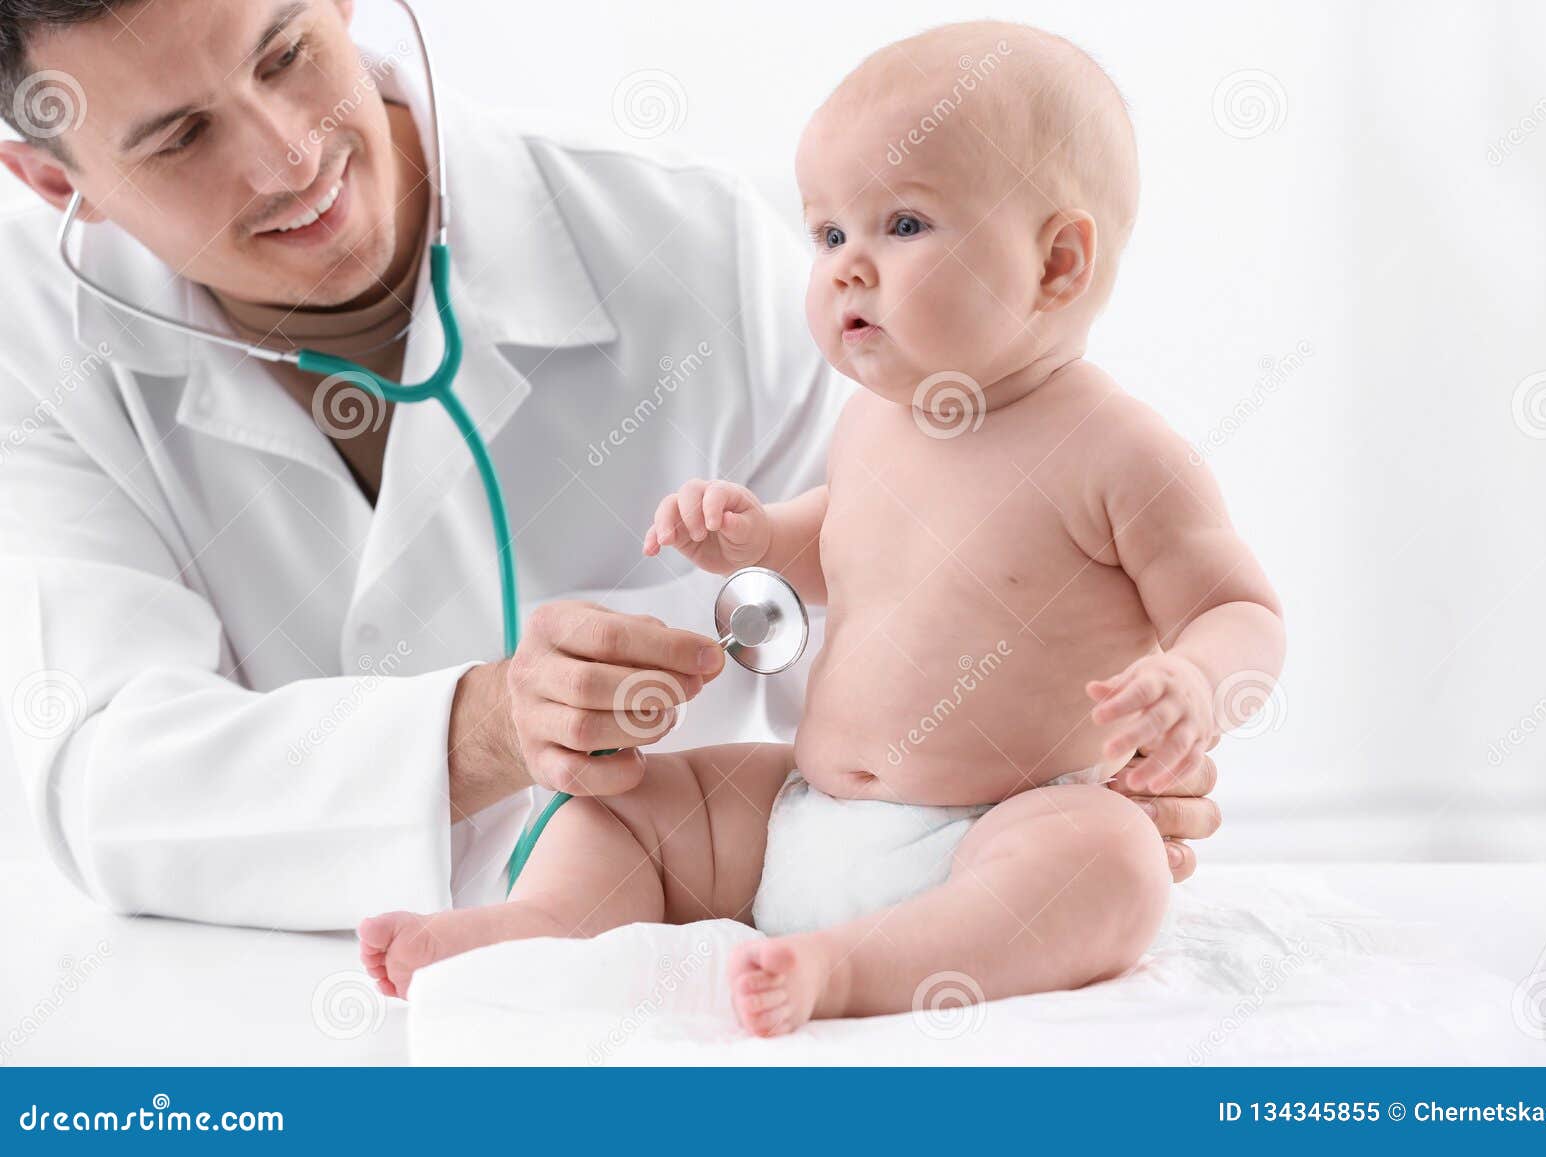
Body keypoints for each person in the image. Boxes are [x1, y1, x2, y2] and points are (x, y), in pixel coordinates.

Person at [0, 0, 1219, 934]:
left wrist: (1080, 773)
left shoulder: (703, 254)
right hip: (263, 999)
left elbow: (928, 635)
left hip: (706, 966)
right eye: (180, 138)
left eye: (286, 55)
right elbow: (103, 780)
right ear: (57, 180)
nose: (287, 158)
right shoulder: (35, 342)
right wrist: (483, 726)